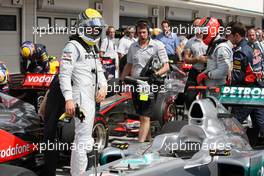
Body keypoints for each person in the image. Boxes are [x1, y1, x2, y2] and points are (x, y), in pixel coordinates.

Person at [59, 8, 107, 176]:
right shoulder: (72, 47)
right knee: (83, 140)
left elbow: (99, 70)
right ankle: (80, 173)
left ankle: (77, 173)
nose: (94, 32)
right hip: (80, 98)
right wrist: (69, 99)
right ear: (82, 27)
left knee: (83, 139)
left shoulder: (91, 48)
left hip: (91, 98)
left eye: (97, 30)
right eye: (91, 29)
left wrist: (104, 86)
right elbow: (64, 75)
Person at [120, 20, 169, 143]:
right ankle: (148, 142)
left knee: (145, 115)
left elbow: (166, 66)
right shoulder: (132, 47)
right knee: (141, 114)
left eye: (144, 32)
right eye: (139, 32)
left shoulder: (158, 45)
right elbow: (129, 65)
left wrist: (155, 75)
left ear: (148, 32)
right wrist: (121, 80)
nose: (142, 35)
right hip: (136, 84)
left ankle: (139, 145)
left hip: (150, 84)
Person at [227, 22, 264, 146]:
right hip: (257, 91)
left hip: (245, 93)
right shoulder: (252, 47)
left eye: (231, 36)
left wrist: (228, 86)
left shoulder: (240, 51)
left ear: (237, 35)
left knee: (234, 123)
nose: (230, 38)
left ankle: (228, 147)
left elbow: (237, 76)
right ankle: (255, 145)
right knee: (260, 123)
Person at [196, 17, 233, 86]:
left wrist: (207, 74)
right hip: (211, 87)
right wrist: (203, 73)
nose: (202, 34)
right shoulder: (215, 45)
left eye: (204, 31)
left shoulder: (221, 47)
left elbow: (223, 71)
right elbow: (212, 66)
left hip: (218, 89)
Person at [183, 18, 208, 109]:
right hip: (194, 71)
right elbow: (186, 59)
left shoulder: (210, 40)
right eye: (195, 26)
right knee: (188, 96)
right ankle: (192, 116)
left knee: (209, 98)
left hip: (207, 72)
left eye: (199, 26)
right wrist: (197, 59)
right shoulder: (190, 41)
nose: (197, 28)